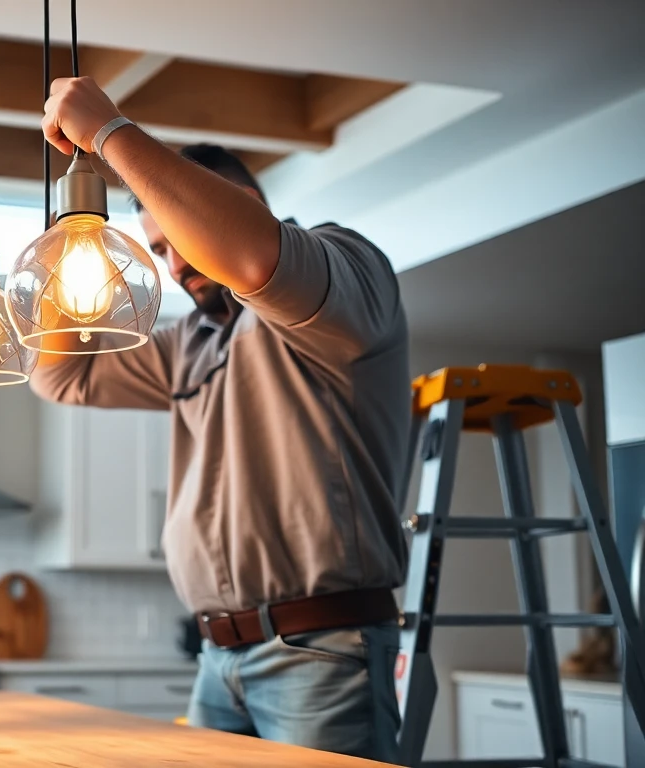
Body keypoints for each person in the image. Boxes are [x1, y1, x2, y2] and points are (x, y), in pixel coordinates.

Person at [31, 76, 411, 762]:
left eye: (177, 234)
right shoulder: (190, 343)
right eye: (159, 247)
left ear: (245, 204)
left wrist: (111, 134)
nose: (175, 265)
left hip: (319, 653)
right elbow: (63, 374)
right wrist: (75, 240)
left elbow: (253, 260)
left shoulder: (344, 273)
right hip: (217, 660)